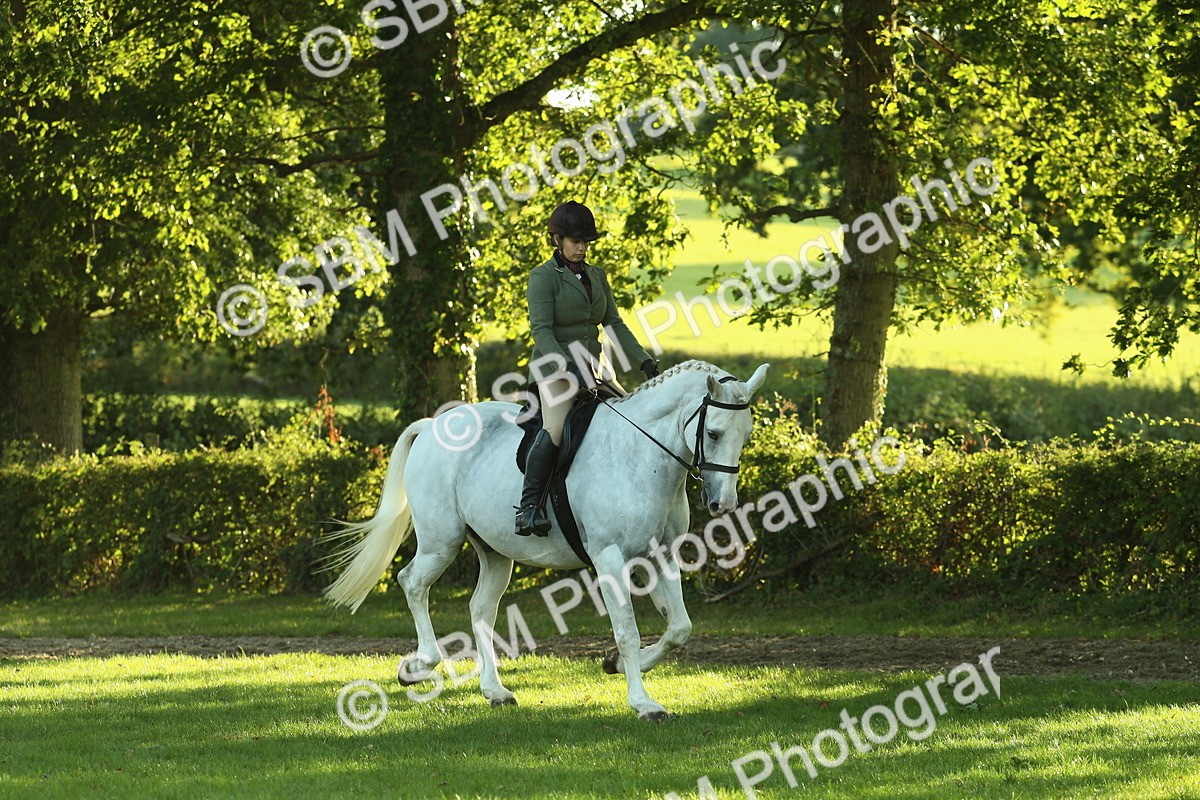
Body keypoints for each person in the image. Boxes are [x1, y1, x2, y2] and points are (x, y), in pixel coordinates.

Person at [515, 200, 660, 536]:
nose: (581, 248)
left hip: (595, 367)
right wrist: (567, 366)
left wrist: (643, 361)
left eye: (585, 243)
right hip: (555, 368)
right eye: (575, 241)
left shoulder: (597, 276)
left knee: (631, 419)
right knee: (553, 428)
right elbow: (542, 331)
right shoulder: (542, 277)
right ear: (558, 240)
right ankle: (529, 506)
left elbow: (614, 324)